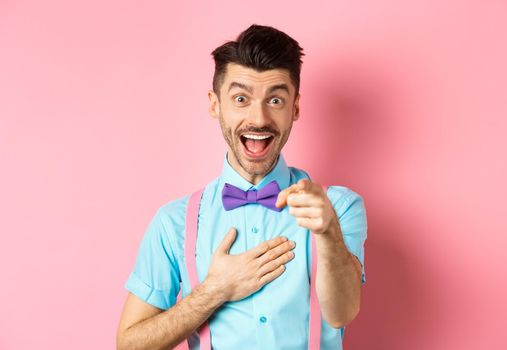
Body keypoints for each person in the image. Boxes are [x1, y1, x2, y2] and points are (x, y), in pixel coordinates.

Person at [116, 24, 367, 350]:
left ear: (295, 108)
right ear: (215, 104)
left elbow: (342, 313)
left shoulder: (339, 207)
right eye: (240, 98)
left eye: (275, 99)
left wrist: (328, 234)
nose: (259, 118)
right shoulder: (174, 222)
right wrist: (214, 290)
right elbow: (130, 344)